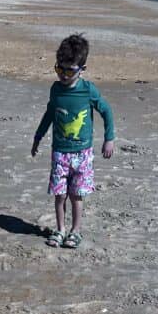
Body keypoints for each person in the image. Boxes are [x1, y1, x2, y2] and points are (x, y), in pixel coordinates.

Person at [31, 34, 115, 249]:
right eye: (59, 69)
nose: (64, 75)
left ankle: (75, 231)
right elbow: (49, 114)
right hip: (60, 152)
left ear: (82, 69)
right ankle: (59, 229)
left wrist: (109, 139)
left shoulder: (88, 90)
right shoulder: (56, 89)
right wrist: (38, 136)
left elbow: (106, 111)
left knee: (76, 196)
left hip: (82, 154)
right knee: (60, 195)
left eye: (69, 71)